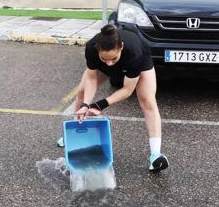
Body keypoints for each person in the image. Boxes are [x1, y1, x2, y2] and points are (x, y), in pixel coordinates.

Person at [65, 23, 169, 172]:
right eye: (104, 58)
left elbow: (127, 90)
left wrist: (100, 104)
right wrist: (86, 105)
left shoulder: (134, 52)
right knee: (81, 92)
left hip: (138, 62)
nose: (109, 63)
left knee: (147, 100)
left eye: (113, 58)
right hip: (112, 61)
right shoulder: (91, 48)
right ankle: (74, 133)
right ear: (97, 50)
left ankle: (156, 155)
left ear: (121, 47)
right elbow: (91, 79)